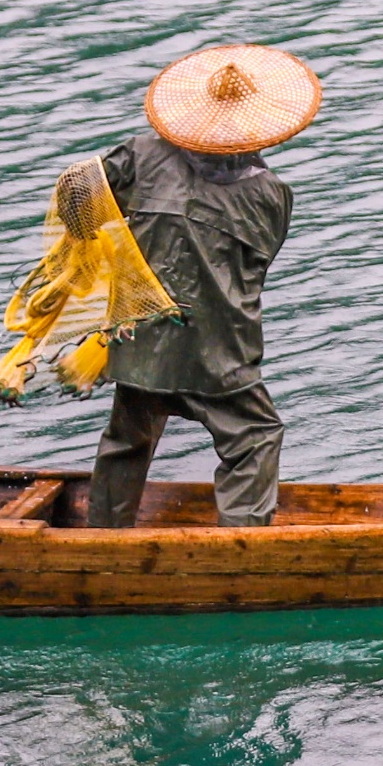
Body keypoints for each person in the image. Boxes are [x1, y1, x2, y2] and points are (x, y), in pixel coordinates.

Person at [84, 42, 319, 529]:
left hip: (140, 333)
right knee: (254, 433)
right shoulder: (268, 193)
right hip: (215, 347)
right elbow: (258, 263)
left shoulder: (141, 154)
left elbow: (84, 190)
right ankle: (242, 543)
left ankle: (104, 534)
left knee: (128, 437)